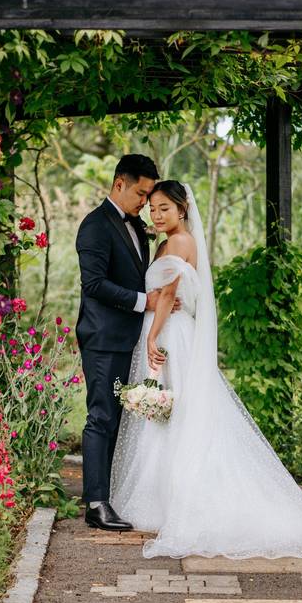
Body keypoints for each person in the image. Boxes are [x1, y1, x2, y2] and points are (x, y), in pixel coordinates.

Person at [110, 180, 302, 558]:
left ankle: (173, 501)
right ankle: (163, 499)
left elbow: (169, 294)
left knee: (173, 413)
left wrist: (153, 338)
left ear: (182, 209)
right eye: (152, 208)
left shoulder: (178, 242)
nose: (156, 215)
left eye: (164, 209)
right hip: (173, 330)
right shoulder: (170, 242)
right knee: (171, 413)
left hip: (170, 334)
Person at [75, 154, 180, 531]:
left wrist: (164, 299)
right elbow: (94, 284)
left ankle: (111, 493)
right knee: (101, 417)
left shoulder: (136, 227)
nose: (145, 204)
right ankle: (96, 503)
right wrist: (144, 302)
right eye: (141, 193)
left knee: (120, 419)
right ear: (119, 183)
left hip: (130, 338)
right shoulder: (94, 227)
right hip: (103, 338)